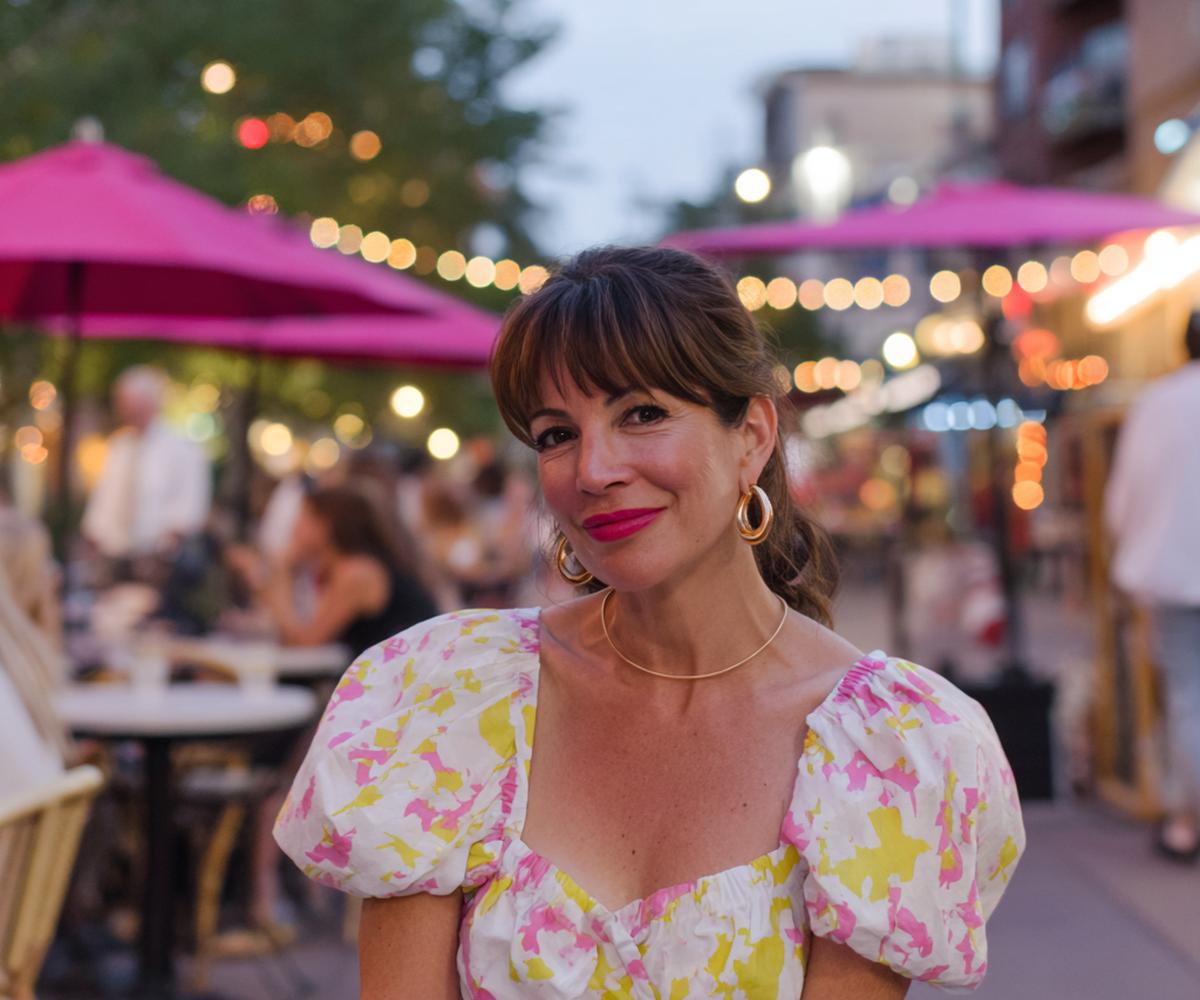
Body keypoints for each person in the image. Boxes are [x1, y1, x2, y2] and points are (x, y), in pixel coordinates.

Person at [275, 247, 1025, 998]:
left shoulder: (892, 752)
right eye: (555, 434)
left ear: (753, 437)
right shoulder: (447, 696)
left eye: (642, 414)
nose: (593, 470)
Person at [1105, 312, 1200, 862]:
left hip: (1172, 575)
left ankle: (1188, 817)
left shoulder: (1157, 404)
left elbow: (1124, 500)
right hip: (1170, 572)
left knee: (1189, 699)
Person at [232, 484, 437, 651]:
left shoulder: (358, 573)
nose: (294, 527)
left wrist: (281, 575)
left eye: (305, 518)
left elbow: (304, 643)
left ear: (328, 526)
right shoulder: (345, 568)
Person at [81, 366, 211, 566]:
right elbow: (105, 498)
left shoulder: (181, 448)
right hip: (115, 553)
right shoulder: (119, 446)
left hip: (159, 559)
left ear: (152, 403)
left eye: (135, 405)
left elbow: (190, 510)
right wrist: (95, 534)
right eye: (125, 405)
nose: (129, 412)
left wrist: (166, 545)